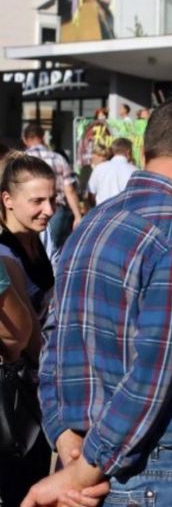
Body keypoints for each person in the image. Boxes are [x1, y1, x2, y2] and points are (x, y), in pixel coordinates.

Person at [26, 96, 172, 507]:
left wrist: (66, 434)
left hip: (98, 456)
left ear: (145, 151)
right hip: (151, 468)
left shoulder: (94, 222)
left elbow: (54, 338)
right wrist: (80, 462)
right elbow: (155, 373)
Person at [0, 153, 57, 507]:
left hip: (33, 388)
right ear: (7, 200)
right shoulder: (5, 252)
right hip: (15, 393)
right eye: (37, 200)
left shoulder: (33, 243)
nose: (48, 209)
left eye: (52, 199)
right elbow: (19, 336)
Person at [23, 124, 82, 251]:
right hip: (55, 210)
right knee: (53, 252)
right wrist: (77, 215)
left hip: (28, 209)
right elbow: (69, 189)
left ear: (25, 139)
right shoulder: (58, 158)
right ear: (43, 137)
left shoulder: (21, 159)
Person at [87, 137, 137, 206]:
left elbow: (91, 193)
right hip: (125, 214)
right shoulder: (134, 171)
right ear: (128, 152)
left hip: (102, 213)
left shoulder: (99, 168)